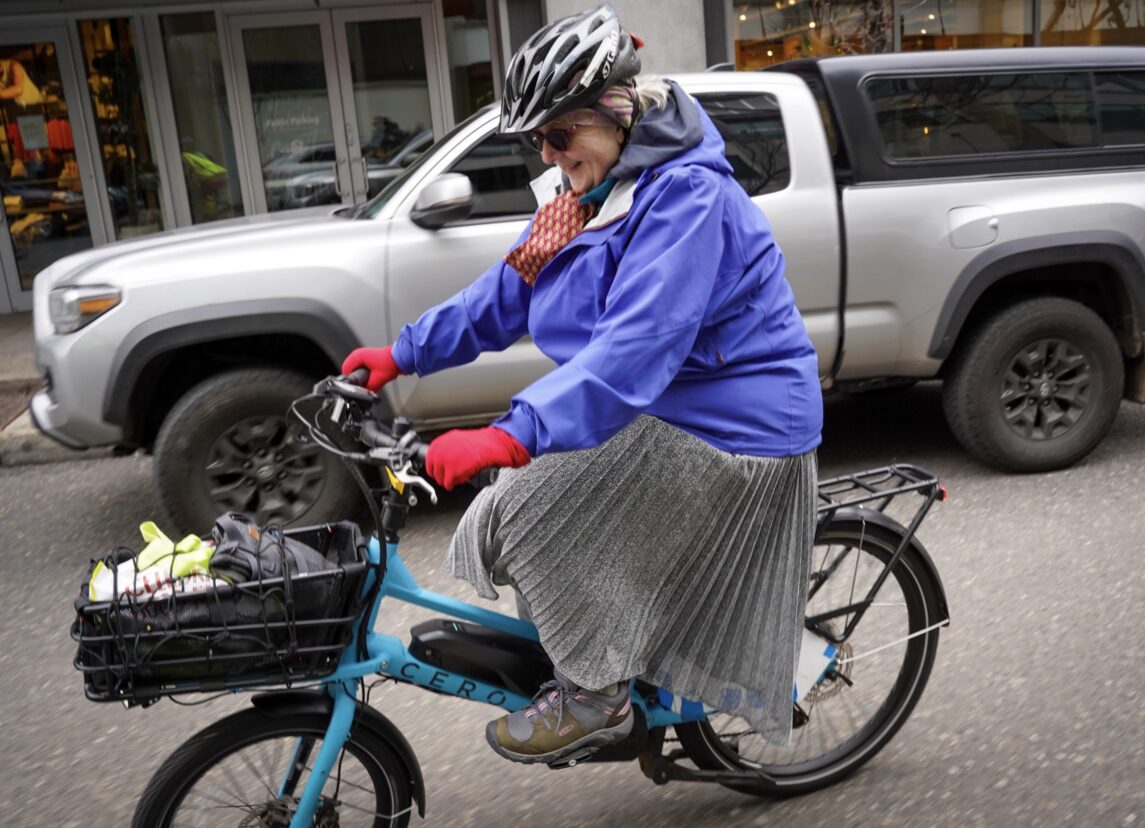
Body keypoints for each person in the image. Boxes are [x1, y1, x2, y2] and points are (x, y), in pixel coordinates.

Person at [342, 3, 823, 765]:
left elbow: (634, 350)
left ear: (617, 111)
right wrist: (403, 355)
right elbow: (508, 293)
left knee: (531, 511)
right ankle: (599, 645)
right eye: (540, 140)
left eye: (561, 135)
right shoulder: (585, 198)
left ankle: (596, 693)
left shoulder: (685, 199)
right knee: (503, 515)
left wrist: (510, 433)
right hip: (661, 408)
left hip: (737, 422)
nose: (550, 155)